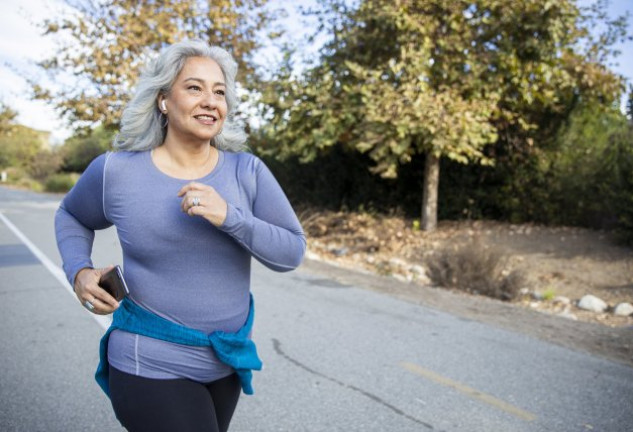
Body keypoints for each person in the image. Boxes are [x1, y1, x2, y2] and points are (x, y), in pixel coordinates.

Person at [55, 40, 306, 432]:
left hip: (225, 363)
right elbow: (71, 213)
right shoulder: (116, 171)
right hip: (148, 359)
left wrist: (231, 218)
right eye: (194, 87)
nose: (210, 100)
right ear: (162, 100)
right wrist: (79, 271)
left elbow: (291, 251)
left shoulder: (248, 171)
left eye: (219, 92)